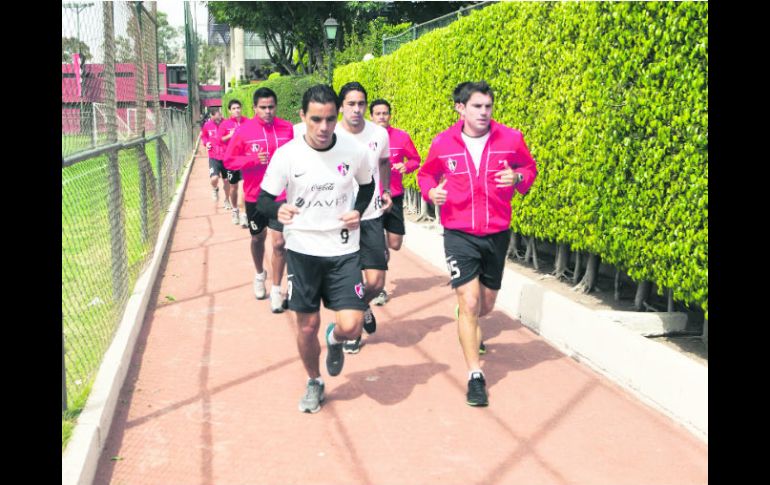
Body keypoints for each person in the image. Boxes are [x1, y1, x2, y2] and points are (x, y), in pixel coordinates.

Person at [417, 81, 538, 407]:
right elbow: (426, 175)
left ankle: (467, 313)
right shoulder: (444, 142)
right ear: (460, 108)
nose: (484, 112)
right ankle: (475, 376)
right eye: (477, 106)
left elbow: (529, 169)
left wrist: (517, 179)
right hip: (459, 233)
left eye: (488, 106)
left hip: (497, 233)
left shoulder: (511, 138)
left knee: (484, 306)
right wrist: (431, 193)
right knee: (470, 303)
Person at [257, 84, 375, 413]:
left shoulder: (353, 151)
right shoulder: (288, 155)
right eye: (316, 120)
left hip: (343, 251)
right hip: (303, 251)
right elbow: (265, 198)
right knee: (306, 326)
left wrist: (359, 210)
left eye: (330, 119)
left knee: (352, 326)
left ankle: (335, 339)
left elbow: (367, 186)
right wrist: (276, 210)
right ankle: (314, 380)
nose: (324, 128)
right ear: (302, 118)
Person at [334, 82, 392, 355]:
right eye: (351, 104)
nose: (357, 109)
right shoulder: (329, 134)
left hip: (370, 215)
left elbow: (384, 162)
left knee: (376, 282)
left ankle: (361, 306)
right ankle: (351, 332)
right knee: (349, 281)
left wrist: (387, 190)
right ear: (341, 107)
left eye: (361, 104)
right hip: (340, 220)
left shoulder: (379, 133)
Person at [222, 88, 294, 302]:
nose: (268, 111)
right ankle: (259, 274)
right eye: (263, 107)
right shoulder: (243, 131)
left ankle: (276, 288)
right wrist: (251, 160)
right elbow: (228, 161)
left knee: (279, 243)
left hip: (281, 195)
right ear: (254, 108)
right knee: (257, 238)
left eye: (271, 107)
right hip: (255, 195)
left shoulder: (287, 129)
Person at [369, 98, 422, 306]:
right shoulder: (366, 138)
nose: (382, 117)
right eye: (378, 114)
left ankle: (381, 249)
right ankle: (380, 288)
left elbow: (415, 159)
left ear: (390, 115)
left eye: (385, 113)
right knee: (379, 247)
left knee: (394, 243)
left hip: (395, 195)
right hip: (372, 197)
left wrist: (406, 167)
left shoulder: (401, 137)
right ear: (371, 116)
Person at [217, 99, 247, 226]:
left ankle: (244, 213)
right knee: (234, 187)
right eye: (234, 108)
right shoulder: (225, 124)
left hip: (245, 160)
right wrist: (231, 135)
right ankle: (235, 210)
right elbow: (220, 140)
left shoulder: (248, 122)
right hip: (231, 161)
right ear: (229, 111)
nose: (237, 110)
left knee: (245, 186)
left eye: (238, 107)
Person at [201, 108, 231, 206]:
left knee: (226, 181)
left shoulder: (226, 123)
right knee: (214, 178)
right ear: (211, 116)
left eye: (220, 116)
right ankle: (215, 188)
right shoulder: (207, 125)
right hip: (213, 156)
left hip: (226, 156)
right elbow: (204, 136)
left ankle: (227, 200)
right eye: (217, 117)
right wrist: (206, 143)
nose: (219, 119)